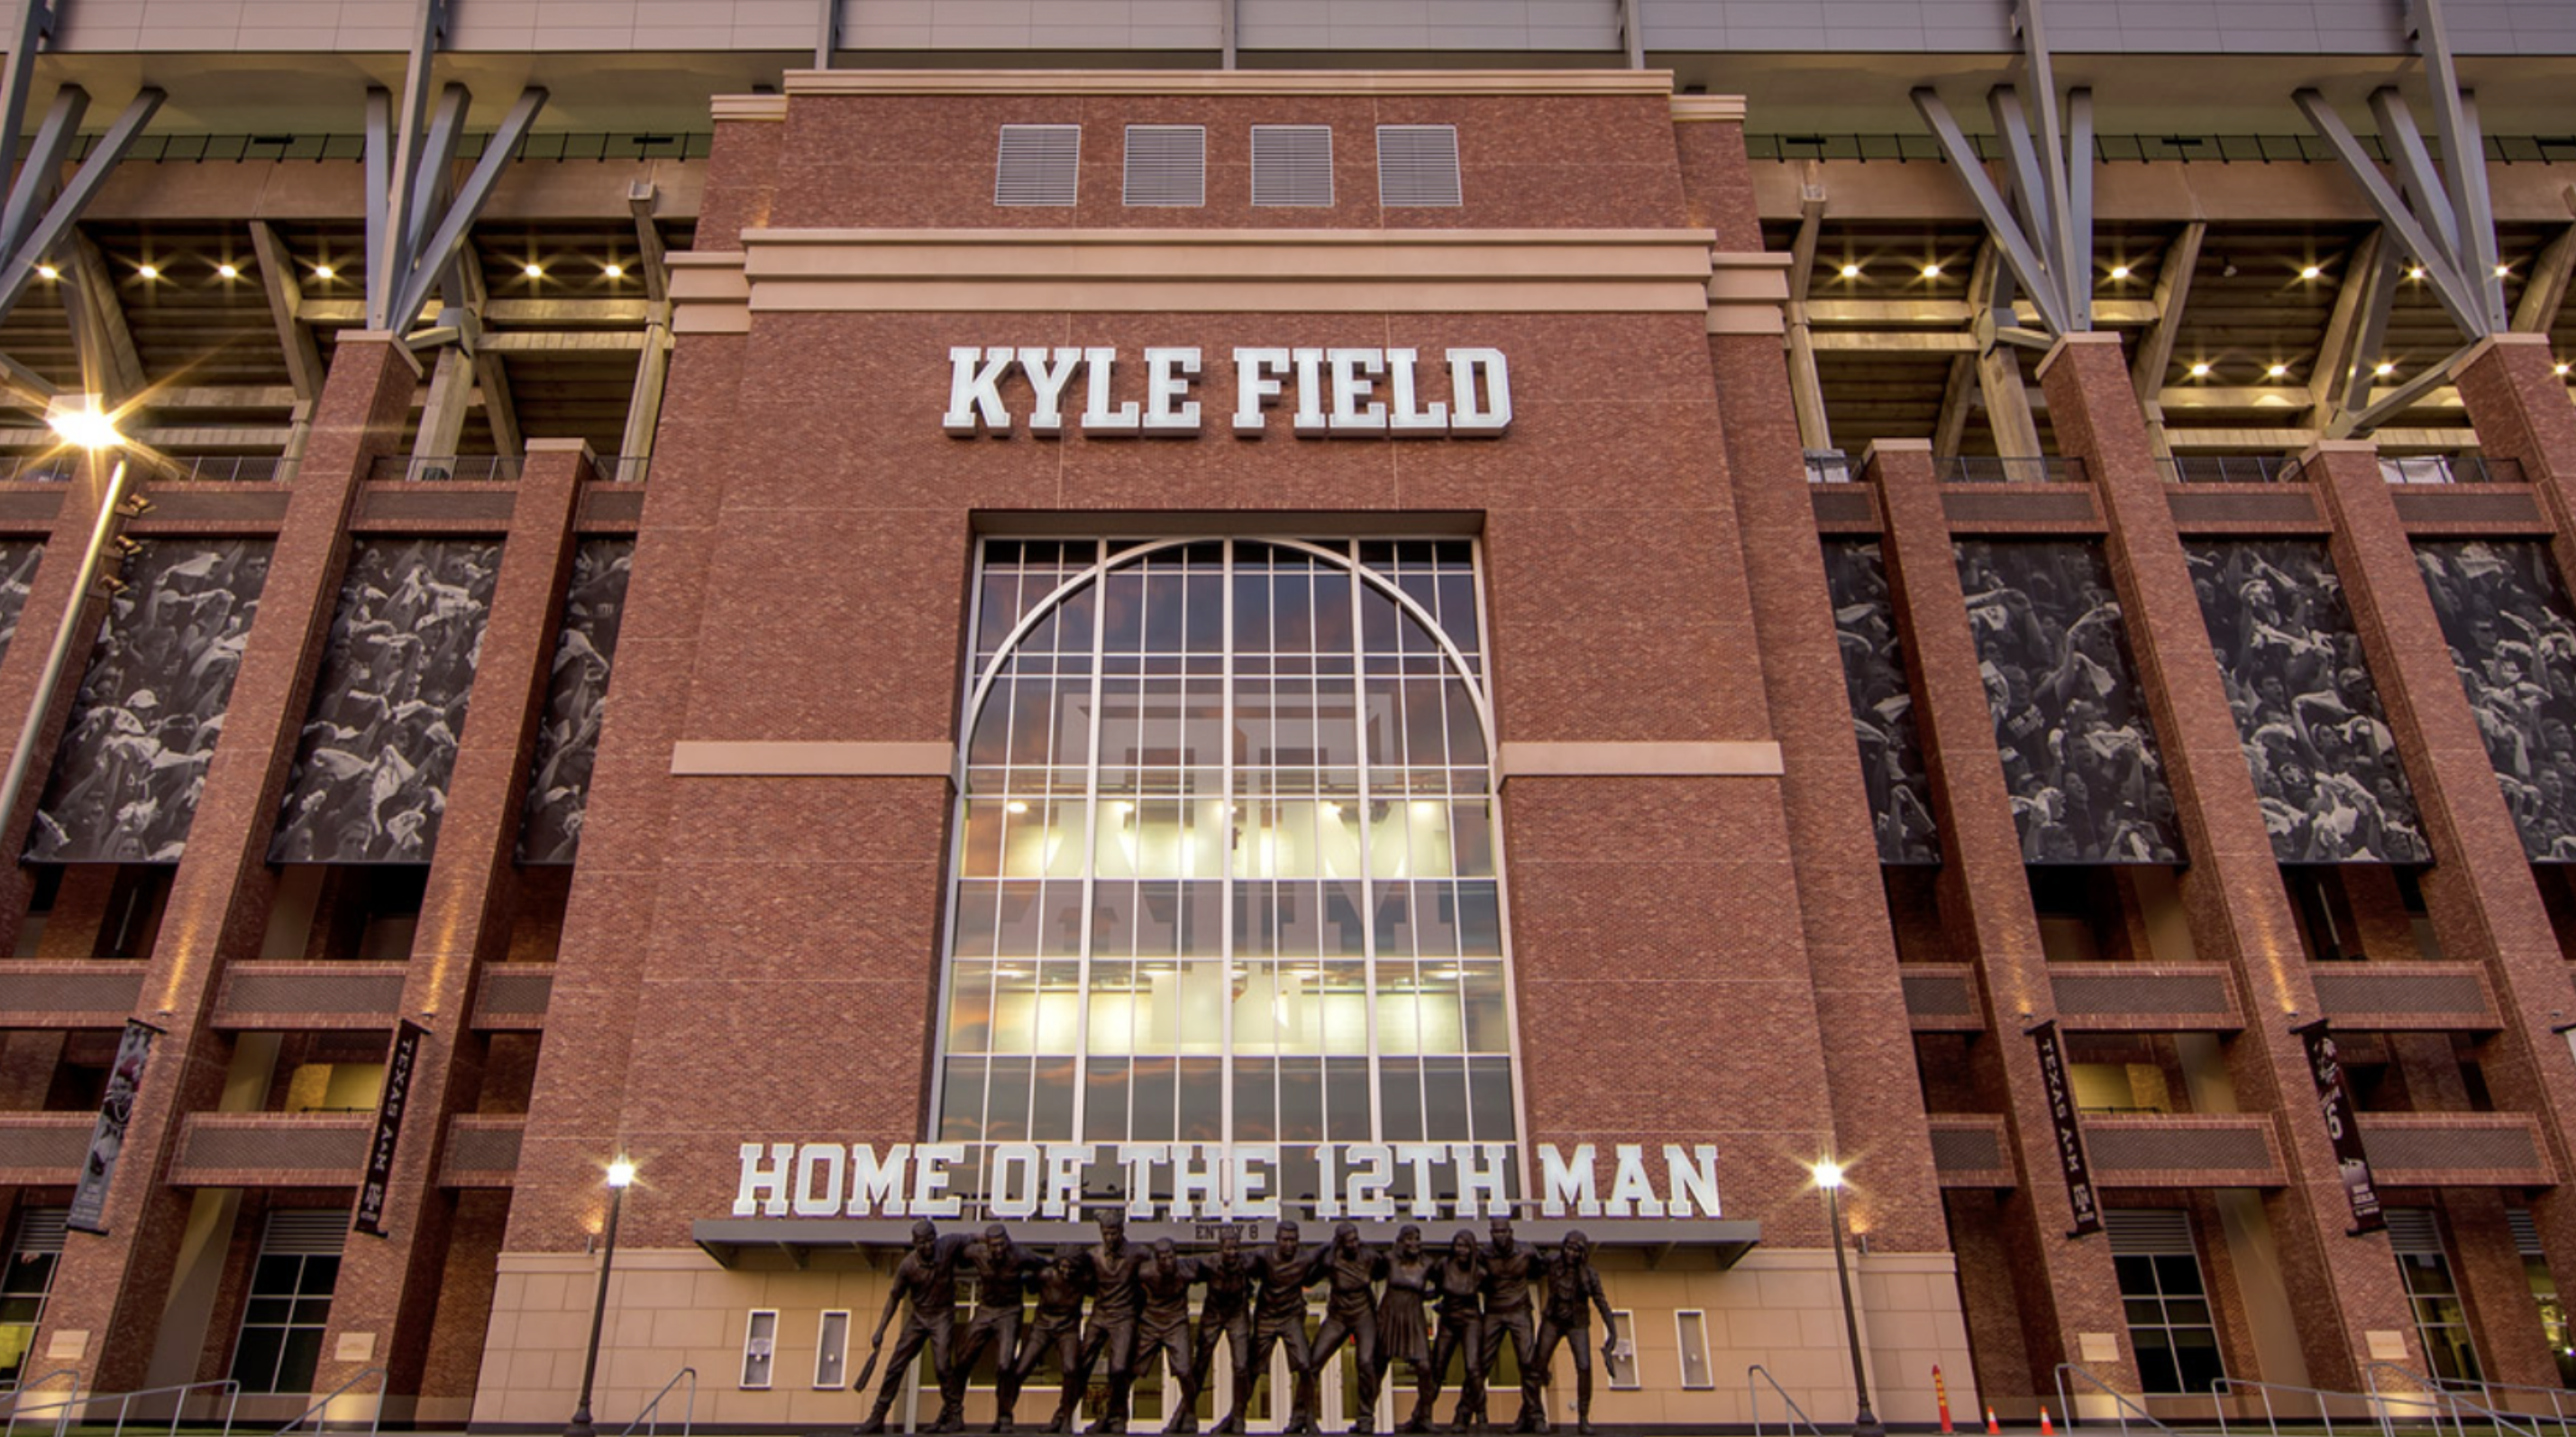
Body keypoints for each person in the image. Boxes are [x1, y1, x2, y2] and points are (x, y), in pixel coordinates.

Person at [858, 1220, 975, 1434]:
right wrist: (880, 1330)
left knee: (942, 1366)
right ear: (914, 1243)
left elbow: (974, 1237)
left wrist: (997, 1240)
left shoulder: (947, 1245)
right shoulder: (907, 1266)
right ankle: (877, 1417)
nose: (928, 1246)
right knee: (895, 1365)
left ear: (935, 1238)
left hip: (942, 1315)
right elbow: (894, 1298)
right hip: (919, 1317)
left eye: (930, 1240)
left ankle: (955, 1415)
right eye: (922, 1242)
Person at [1225, 1221, 1323, 1435]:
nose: (1289, 1244)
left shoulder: (1305, 1258)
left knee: (1305, 1366)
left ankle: (1307, 1417)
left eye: (1293, 1240)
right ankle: (1235, 1417)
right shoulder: (1264, 1255)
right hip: (1267, 1317)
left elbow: (1328, 1248)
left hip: (1290, 1318)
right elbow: (1241, 1261)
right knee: (1253, 1369)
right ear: (1277, 1240)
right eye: (1285, 1240)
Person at [950, 1224, 1049, 1432]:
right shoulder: (976, 1252)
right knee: (963, 1358)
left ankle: (1004, 1416)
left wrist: (1030, 1283)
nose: (999, 1250)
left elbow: (1045, 1265)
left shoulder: (1020, 1255)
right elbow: (955, 1251)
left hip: (1009, 1312)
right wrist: (973, 1236)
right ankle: (952, 1412)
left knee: (1005, 1365)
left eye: (1002, 1245)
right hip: (986, 1310)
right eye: (994, 1245)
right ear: (987, 1245)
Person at [1525, 1232, 1618, 1435]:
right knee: (1537, 1366)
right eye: (1568, 1248)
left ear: (1582, 1254)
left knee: (1584, 1367)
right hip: (1552, 1321)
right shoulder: (1552, 1261)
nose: (1570, 1253)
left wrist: (1613, 1332)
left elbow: (1601, 1303)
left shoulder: (1589, 1274)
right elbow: (1532, 1260)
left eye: (1576, 1250)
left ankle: (1583, 1418)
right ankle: (1533, 1414)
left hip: (1577, 1324)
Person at [1304, 1222, 1388, 1435]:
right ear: (1340, 1243)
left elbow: (1385, 1273)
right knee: (1313, 1362)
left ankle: (1365, 1418)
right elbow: (1309, 1280)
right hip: (1338, 1317)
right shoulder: (1331, 1260)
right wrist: (1321, 1251)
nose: (1353, 1244)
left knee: (1366, 1362)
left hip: (1363, 1315)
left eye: (1355, 1239)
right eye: (1348, 1241)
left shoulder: (1370, 1257)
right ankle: (1303, 1417)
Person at [1005, 1247, 1096, 1434]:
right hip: (1042, 1327)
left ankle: (1065, 1418)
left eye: (1071, 1268)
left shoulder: (1084, 1280)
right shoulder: (1045, 1275)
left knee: (1071, 1369)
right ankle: (1004, 1415)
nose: (1067, 1271)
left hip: (1068, 1329)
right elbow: (1025, 1284)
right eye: (1063, 1267)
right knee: (1020, 1369)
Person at [1078, 1212, 1150, 1434]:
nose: (1110, 1238)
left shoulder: (1138, 1253)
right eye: (1106, 1233)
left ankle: (1117, 1416)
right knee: (1080, 1363)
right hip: (1100, 1315)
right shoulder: (1093, 1255)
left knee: (1119, 1369)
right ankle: (1064, 1414)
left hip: (1124, 1316)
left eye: (1114, 1233)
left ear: (1122, 1230)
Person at [1412, 1231, 1486, 1434]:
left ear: (1472, 1249)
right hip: (1448, 1321)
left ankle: (1481, 1415)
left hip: (1470, 1321)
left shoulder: (1480, 1273)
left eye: (1466, 1246)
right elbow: (1437, 1291)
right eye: (1458, 1246)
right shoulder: (1443, 1265)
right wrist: (1415, 1295)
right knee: (1436, 1369)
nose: (1461, 1250)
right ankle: (1420, 1416)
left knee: (1473, 1368)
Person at [1183, 1231, 1255, 1433]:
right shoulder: (1208, 1263)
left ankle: (1238, 1416)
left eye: (1236, 1248)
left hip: (1237, 1315)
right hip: (1213, 1315)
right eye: (1228, 1248)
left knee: (1241, 1366)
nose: (1232, 1253)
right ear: (1220, 1248)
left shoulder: (1247, 1263)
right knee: (1200, 1363)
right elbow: (1182, 1270)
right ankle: (1186, 1413)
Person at [1477, 1219, 1542, 1433]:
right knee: (1481, 1363)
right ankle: (1471, 1415)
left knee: (1528, 1362)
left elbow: (1540, 1270)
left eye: (1504, 1231)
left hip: (1519, 1311)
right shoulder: (1484, 1254)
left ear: (1511, 1232)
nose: (1500, 1236)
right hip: (1494, 1311)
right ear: (1491, 1234)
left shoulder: (1527, 1252)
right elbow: (1474, 1279)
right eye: (1496, 1232)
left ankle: (1535, 1415)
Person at [1135, 1240, 1204, 1434]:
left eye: (1171, 1256)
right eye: (1163, 1258)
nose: (1168, 1261)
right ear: (1156, 1259)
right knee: (1131, 1369)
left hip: (1176, 1322)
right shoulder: (1145, 1272)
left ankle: (1190, 1412)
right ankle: (1116, 1413)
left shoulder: (1188, 1270)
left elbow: (1212, 1266)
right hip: (1152, 1322)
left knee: (1184, 1371)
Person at [1375, 1227, 1433, 1433]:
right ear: (1400, 1241)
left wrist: (1432, 1297)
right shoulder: (1389, 1259)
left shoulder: (1428, 1264)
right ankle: (1365, 1416)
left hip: (1414, 1317)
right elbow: (1369, 1275)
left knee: (1425, 1367)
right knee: (1378, 1366)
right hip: (1390, 1315)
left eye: (1417, 1238)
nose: (1414, 1242)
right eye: (1409, 1238)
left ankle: (1424, 1417)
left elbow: (1447, 1283)